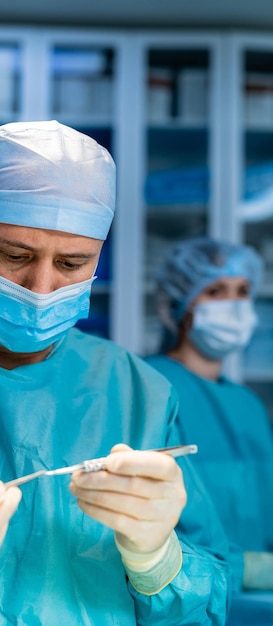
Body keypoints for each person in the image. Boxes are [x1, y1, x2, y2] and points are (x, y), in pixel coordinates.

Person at [0, 122, 229, 625]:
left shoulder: (138, 393)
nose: (41, 287)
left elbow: (206, 604)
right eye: (16, 255)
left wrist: (158, 560)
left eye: (74, 263)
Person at [146, 236, 273, 624]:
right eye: (216, 291)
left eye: (243, 292)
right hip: (183, 600)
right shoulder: (149, 386)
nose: (233, 306)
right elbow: (146, 520)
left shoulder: (248, 404)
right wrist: (248, 568)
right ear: (178, 305)